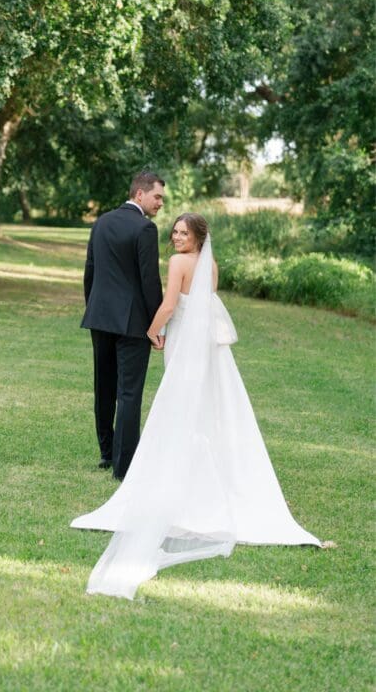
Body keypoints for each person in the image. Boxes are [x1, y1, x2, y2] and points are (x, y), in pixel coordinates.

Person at [72, 212, 321, 600]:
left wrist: (151, 331)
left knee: (179, 406)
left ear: (198, 237)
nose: (175, 238)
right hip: (206, 346)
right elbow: (205, 303)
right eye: (173, 232)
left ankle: (179, 480)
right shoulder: (211, 265)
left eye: (183, 233)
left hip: (184, 344)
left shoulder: (176, 264)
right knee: (209, 407)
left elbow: (170, 305)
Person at [81, 170, 165, 480]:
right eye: (157, 196)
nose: (160, 203)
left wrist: (94, 307)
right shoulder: (145, 228)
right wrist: (157, 326)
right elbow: (149, 281)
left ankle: (106, 453)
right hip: (132, 323)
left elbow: (90, 270)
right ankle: (124, 465)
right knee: (129, 392)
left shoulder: (101, 222)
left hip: (100, 318)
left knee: (104, 387)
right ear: (139, 194)